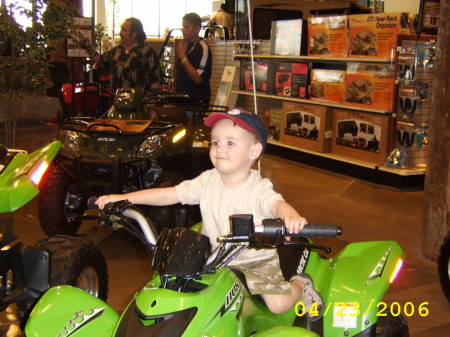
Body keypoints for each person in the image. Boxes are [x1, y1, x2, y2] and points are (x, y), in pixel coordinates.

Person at [96, 108, 324, 318]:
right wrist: (125, 199)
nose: (219, 148)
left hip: (254, 261)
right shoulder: (207, 180)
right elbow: (171, 194)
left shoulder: (258, 188)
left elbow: (276, 205)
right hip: (213, 260)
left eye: (230, 143)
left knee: (278, 305)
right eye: (215, 142)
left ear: (254, 151)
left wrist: (290, 216)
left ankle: (301, 283)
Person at [81, 17, 160, 95]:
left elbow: (154, 81)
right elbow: (101, 60)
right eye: (121, 29)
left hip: (137, 105)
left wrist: (153, 102)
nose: (120, 33)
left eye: (124, 30)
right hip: (116, 103)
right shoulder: (117, 51)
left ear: (135, 34)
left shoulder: (148, 54)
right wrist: (88, 47)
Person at [175, 12, 212, 105]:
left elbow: (197, 78)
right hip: (180, 100)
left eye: (187, 27)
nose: (183, 30)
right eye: (183, 27)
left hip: (196, 103)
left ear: (197, 29)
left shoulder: (202, 47)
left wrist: (183, 57)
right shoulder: (183, 45)